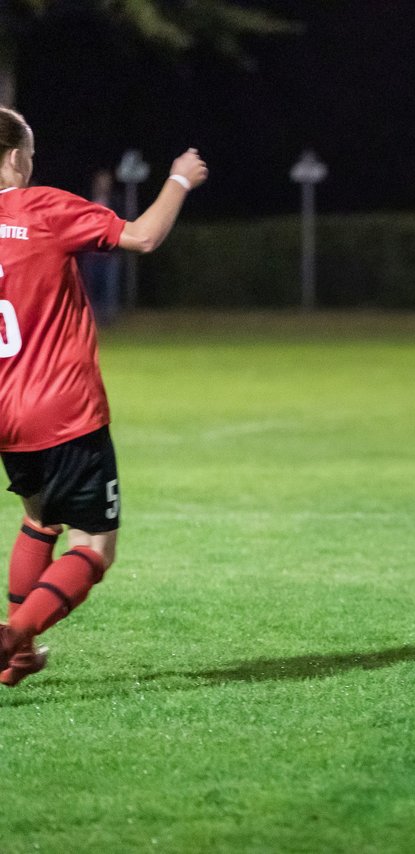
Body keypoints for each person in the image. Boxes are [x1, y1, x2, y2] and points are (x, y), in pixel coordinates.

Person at [0, 106, 208, 684]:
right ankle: (12, 636)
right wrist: (179, 180)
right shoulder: (40, 208)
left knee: (41, 521)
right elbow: (141, 237)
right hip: (63, 409)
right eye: (31, 156)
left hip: (6, 415)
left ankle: (18, 658)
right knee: (94, 548)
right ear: (17, 157)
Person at [78, 168, 124, 324]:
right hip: (90, 255)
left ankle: (108, 320)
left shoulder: (115, 201)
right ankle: (92, 319)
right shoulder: (87, 200)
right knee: (90, 289)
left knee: (109, 290)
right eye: (100, 181)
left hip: (109, 255)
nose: (103, 184)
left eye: (106, 181)